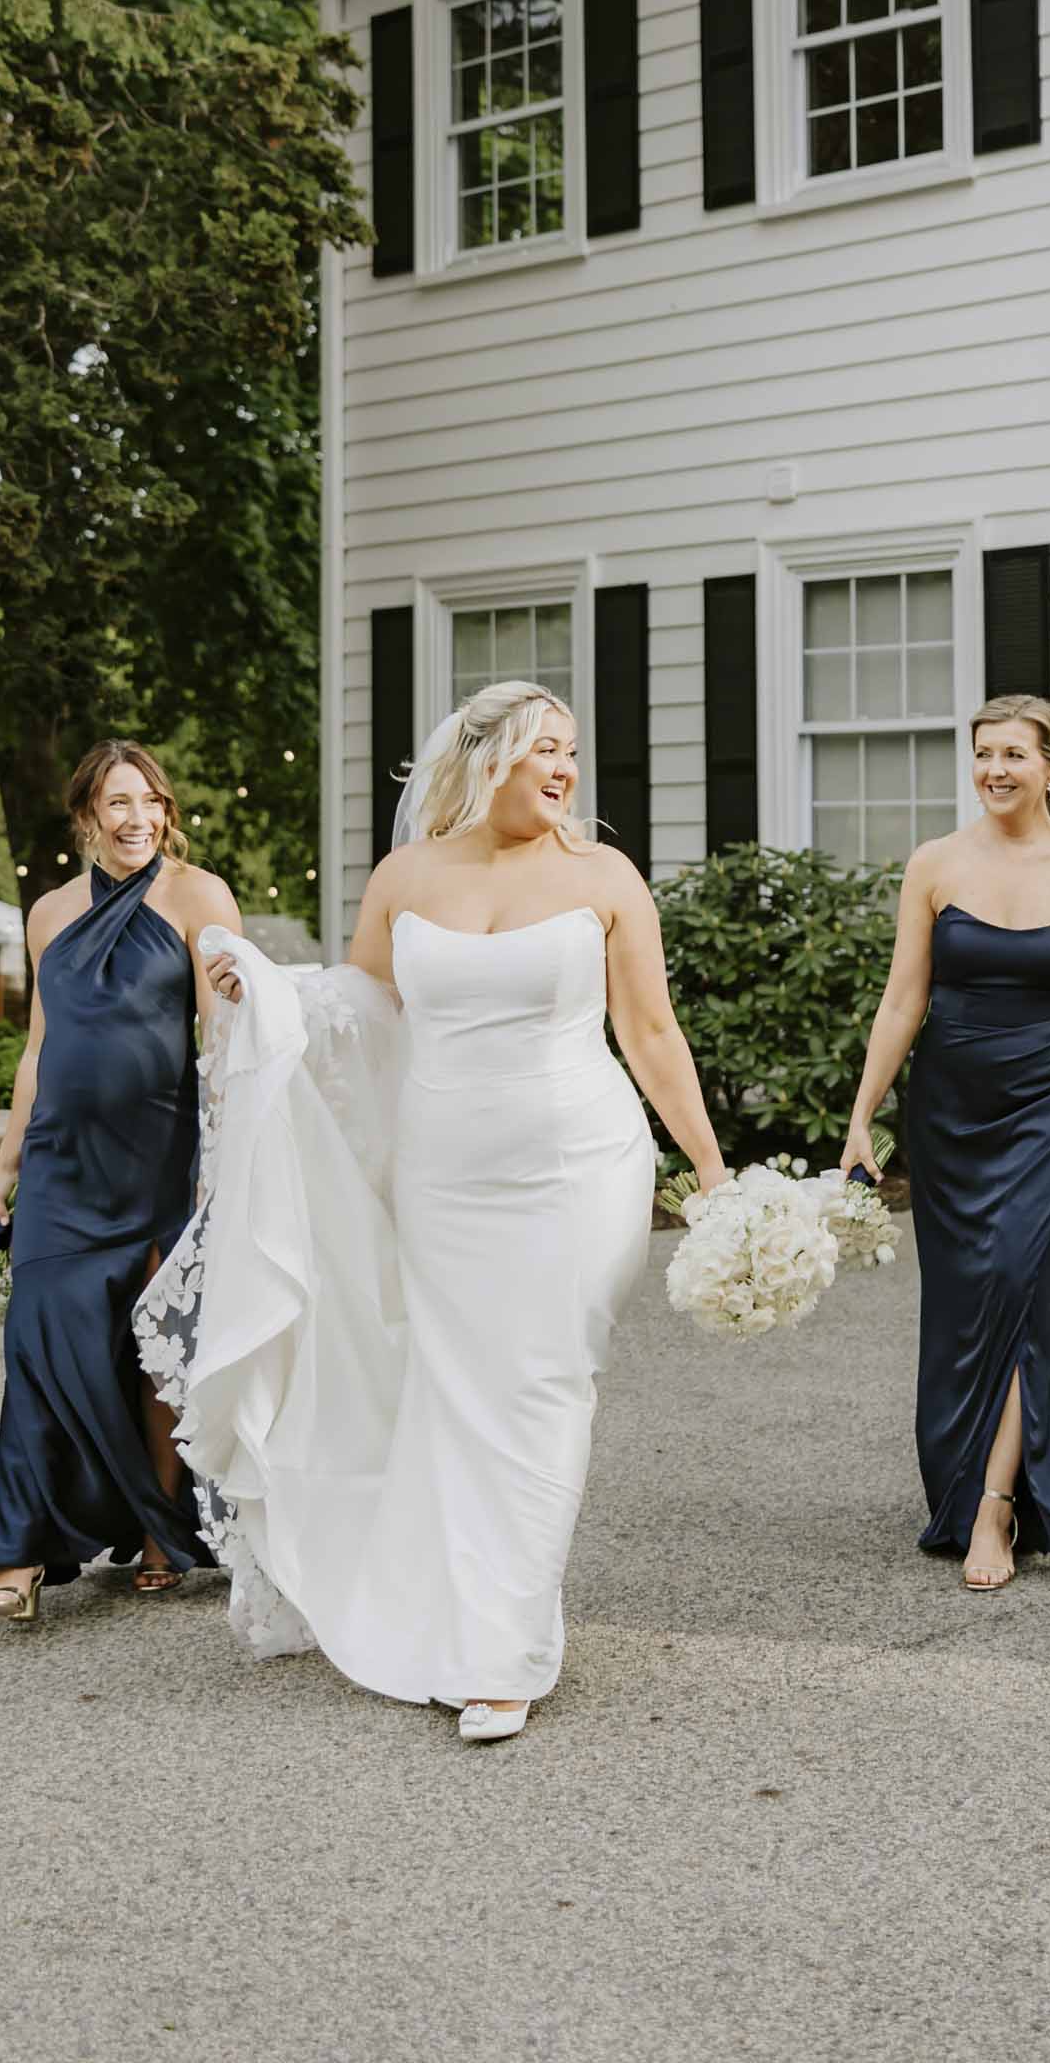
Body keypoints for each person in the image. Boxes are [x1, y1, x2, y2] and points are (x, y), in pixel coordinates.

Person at [142, 681, 729, 1741]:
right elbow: (359, 1006)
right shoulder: (407, 875)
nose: (565, 769)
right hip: (444, 1177)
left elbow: (650, 1033)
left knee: (545, 1384)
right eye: (546, 749)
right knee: (457, 1392)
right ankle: (458, 1616)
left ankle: (505, 1655)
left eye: (572, 751)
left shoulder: (603, 876)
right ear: (490, 755)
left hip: (579, 1167)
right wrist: (266, 993)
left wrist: (712, 1174)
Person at [841, 697, 1050, 1590]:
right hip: (951, 1100)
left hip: (1049, 1095)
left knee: (1023, 1278)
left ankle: (997, 1505)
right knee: (967, 1293)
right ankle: (966, 1477)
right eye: (984, 754)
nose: (995, 770)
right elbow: (903, 998)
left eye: (1013, 754)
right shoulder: (936, 863)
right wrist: (862, 1115)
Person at [0, 741, 240, 1621]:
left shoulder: (199, 897)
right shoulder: (49, 912)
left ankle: (163, 1529)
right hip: (62, 1158)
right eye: (119, 803)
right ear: (87, 814)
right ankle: (18, 1553)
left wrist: (221, 1158)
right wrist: (9, 1156)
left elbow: (224, 1038)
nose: (138, 819)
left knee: (157, 1345)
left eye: (151, 801)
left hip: (161, 1155)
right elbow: (39, 1044)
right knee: (39, 1343)